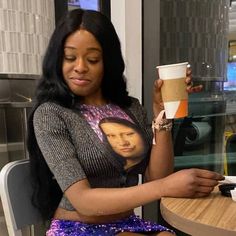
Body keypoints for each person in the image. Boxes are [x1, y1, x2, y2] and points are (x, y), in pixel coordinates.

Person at [27, 8, 224, 236]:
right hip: (76, 228)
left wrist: (163, 114)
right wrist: (166, 187)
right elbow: (82, 200)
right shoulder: (51, 114)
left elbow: (156, 176)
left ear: (107, 62)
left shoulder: (129, 107)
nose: (80, 67)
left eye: (92, 59)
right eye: (70, 57)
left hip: (128, 224)